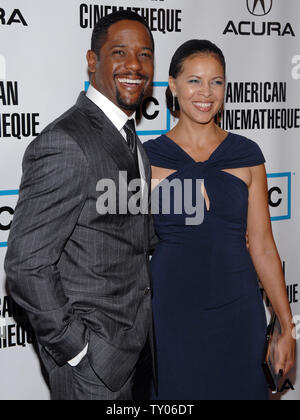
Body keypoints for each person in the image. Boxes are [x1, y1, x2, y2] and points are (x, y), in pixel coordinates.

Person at [4, 11, 156, 400]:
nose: (135, 65)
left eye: (145, 54)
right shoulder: (66, 142)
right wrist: (78, 350)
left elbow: (128, 240)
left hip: (137, 354)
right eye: (120, 52)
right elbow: (26, 265)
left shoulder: (131, 140)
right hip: (94, 369)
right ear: (93, 61)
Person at [143, 40, 296, 400]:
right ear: (173, 86)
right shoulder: (144, 158)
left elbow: (262, 246)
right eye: (194, 81)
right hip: (170, 312)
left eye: (217, 82)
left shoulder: (247, 154)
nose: (206, 93)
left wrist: (287, 328)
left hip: (238, 309)